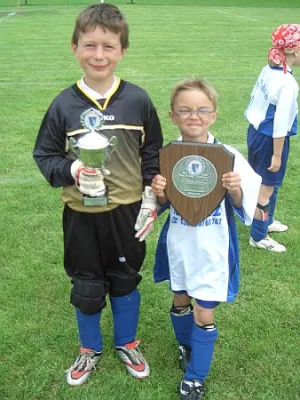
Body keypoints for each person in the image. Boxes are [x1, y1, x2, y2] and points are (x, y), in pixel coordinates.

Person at [33, 3, 162, 386]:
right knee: (87, 283)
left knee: (125, 277)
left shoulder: (137, 100)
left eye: (108, 46)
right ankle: (89, 348)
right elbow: (45, 154)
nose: (99, 55)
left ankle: (127, 342)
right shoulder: (63, 104)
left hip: (126, 211)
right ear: (74, 47)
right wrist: (73, 169)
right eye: (90, 45)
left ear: (122, 50)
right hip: (80, 214)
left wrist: (153, 197)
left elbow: (152, 152)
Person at [151, 77, 261, 400]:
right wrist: (158, 194)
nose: (193, 116)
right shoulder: (168, 156)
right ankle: (187, 348)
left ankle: (196, 376)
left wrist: (236, 189)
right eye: (184, 110)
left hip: (212, 248)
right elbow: (160, 206)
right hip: (180, 246)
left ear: (214, 115)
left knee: (204, 311)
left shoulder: (226, 156)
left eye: (202, 110)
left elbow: (243, 204)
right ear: (173, 116)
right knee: (180, 301)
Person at [245, 23, 300, 252]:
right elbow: (280, 124)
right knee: (266, 188)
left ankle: (266, 220)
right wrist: (277, 154)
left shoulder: (270, 69)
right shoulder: (288, 84)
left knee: (268, 183)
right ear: (295, 51)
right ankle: (258, 235)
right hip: (270, 139)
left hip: (256, 133)